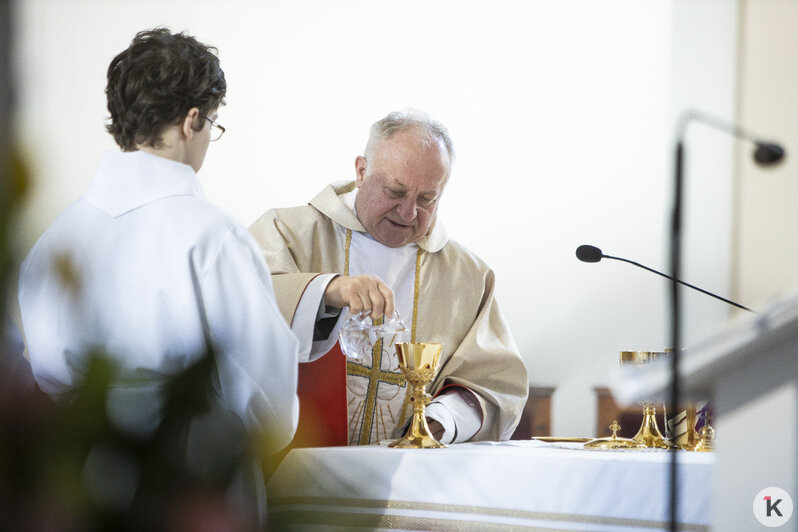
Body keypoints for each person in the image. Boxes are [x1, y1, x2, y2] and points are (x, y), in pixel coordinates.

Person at [18, 28, 336, 527]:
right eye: (214, 124)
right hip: (193, 491)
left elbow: (42, 385)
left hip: (82, 491)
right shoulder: (213, 237)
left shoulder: (52, 243)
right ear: (192, 120)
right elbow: (266, 400)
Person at [249, 109, 529, 446]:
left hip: (407, 478)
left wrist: (441, 421)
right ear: (361, 171)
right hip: (293, 464)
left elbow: (496, 382)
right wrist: (326, 291)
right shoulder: (287, 233)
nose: (409, 211)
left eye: (427, 199)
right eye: (395, 192)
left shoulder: (467, 277)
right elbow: (238, 310)